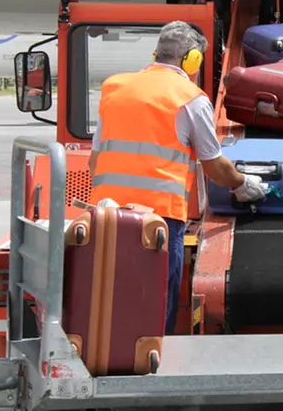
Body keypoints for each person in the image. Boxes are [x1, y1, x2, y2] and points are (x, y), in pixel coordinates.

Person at [88, 20, 267, 334]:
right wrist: (242, 185)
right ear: (193, 60)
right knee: (154, 309)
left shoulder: (113, 87)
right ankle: (153, 367)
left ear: (156, 53)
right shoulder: (189, 97)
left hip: (104, 217)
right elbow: (213, 166)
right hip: (158, 221)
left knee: (108, 302)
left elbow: (95, 158)